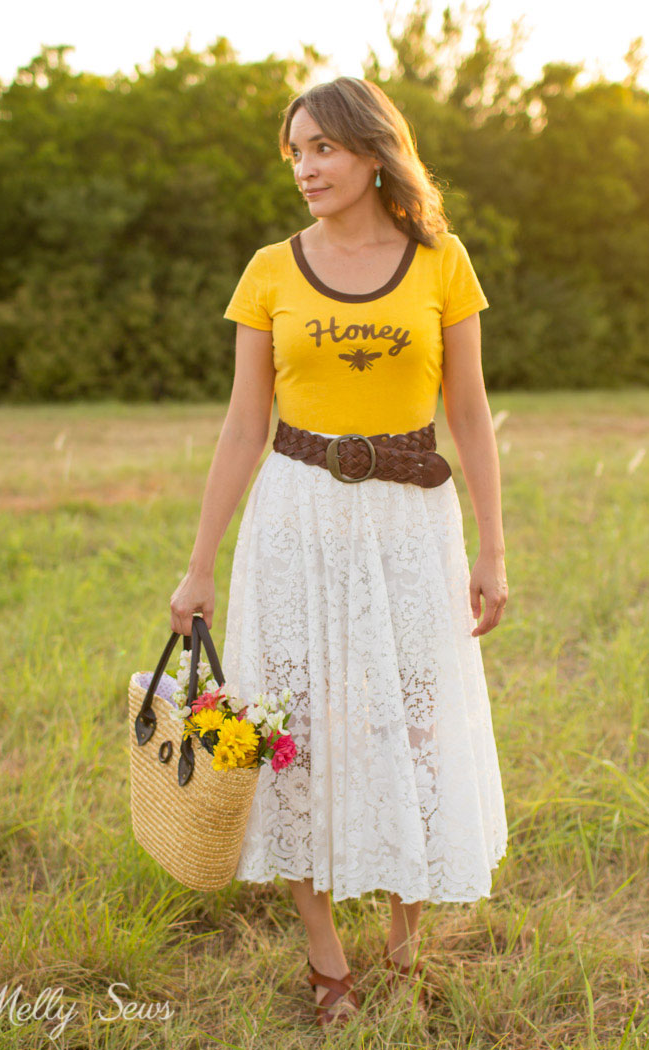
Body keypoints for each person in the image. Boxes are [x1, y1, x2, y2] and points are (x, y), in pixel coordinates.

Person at [170, 75, 509, 1030]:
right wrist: (199, 565)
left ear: (372, 151)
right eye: (296, 152)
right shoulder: (270, 269)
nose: (306, 168)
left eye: (322, 148)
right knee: (296, 733)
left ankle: (403, 943)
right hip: (296, 518)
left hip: (410, 521)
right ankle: (328, 961)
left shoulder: (442, 263)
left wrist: (492, 548)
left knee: (410, 724)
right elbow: (242, 427)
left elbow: (472, 417)